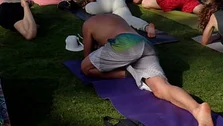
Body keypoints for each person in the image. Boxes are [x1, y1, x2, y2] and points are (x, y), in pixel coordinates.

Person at [81, 14, 213, 126]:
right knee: (160, 88)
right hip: (144, 44)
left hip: (125, 44)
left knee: (85, 68)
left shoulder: (88, 24)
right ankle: (197, 109)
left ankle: (125, 74)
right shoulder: (115, 17)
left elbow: (87, 56)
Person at [79, 0, 156, 37]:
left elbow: (92, 1)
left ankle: (108, 15)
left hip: (106, 1)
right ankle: (146, 27)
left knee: (89, 7)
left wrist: (87, 3)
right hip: (119, 0)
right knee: (126, 17)